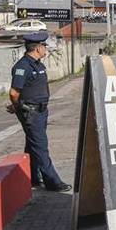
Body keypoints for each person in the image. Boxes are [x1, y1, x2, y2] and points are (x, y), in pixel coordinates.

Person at [5, 32, 71, 192]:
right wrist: (18, 106)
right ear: (39, 48)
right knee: (40, 146)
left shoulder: (38, 64)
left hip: (41, 110)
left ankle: (33, 177)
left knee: (32, 145)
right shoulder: (22, 67)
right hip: (31, 112)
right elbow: (14, 92)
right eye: (44, 46)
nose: (46, 49)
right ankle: (53, 182)